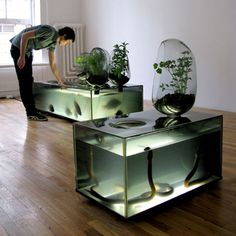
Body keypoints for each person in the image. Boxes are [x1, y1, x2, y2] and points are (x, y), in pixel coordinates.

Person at [10, 24, 75, 121]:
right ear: (65, 36)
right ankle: (31, 113)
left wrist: (60, 81)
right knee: (24, 81)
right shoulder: (50, 32)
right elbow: (25, 36)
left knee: (29, 80)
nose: (66, 45)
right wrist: (22, 56)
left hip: (27, 50)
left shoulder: (53, 43)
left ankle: (33, 110)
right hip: (18, 48)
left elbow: (52, 63)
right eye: (68, 43)